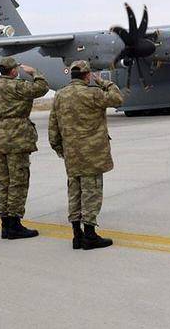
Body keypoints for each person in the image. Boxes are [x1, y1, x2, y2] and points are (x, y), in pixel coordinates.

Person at [48, 60, 123, 250]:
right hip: (93, 153)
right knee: (91, 192)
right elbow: (117, 98)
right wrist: (105, 82)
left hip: (71, 153)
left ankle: (76, 236)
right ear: (87, 75)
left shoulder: (60, 95)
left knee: (74, 192)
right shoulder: (93, 93)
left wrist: (59, 148)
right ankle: (90, 235)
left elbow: (53, 126)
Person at [0, 56, 50, 240]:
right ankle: (14, 224)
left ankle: (5, 223)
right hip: (17, 141)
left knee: (4, 183)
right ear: (13, 71)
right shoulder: (18, 86)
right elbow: (42, 88)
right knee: (18, 182)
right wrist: (35, 72)